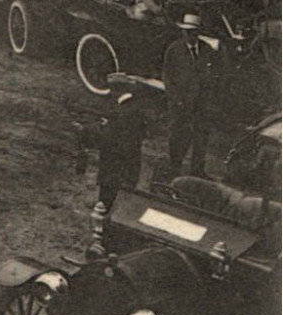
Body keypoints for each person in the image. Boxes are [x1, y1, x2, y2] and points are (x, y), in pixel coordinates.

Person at [76, 75, 153, 208]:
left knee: (111, 192)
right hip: (125, 164)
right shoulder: (130, 107)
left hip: (117, 163)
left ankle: (105, 207)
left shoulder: (125, 112)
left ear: (119, 90)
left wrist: (87, 130)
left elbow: (112, 137)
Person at [162, 12, 223, 178]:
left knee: (201, 137)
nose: (189, 35)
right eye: (186, 32)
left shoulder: (207, 50)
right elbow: (168, 79)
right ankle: (174, 170)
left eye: (193, 32)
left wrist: (210, 99)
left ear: (198, 33)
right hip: (181, 103)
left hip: (202, 104)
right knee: (178, 137)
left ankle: (197, 171)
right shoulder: (174, 50)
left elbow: (216, 76)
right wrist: (176, 101)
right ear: (183, 32)